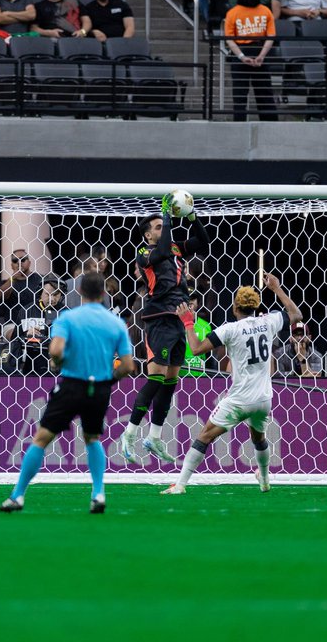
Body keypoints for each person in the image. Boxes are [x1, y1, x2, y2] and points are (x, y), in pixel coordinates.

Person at [0, 272, 134, 513]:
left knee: (41, 439)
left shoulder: (68, 318)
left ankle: (18, 495)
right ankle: (98, 494)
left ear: (80, 292)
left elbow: (56, 349)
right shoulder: (116, 323)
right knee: (92, 439)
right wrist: (107, 380)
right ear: (104, 294)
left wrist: (59, 361)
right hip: (100, 388)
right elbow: (128, 366)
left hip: (72, 384)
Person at [162, 273, 302, 494]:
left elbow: (197, 348)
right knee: (258, 438)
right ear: (255, 307)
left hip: (239, 398)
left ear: (236, 308)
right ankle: (264, 480)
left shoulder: (230, 329)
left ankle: (180, 485)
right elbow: (296, 315)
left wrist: (188, 322)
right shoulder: (269, 321)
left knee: (205, 435)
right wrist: (276, 288)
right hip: (264, 398)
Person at [119, 196, 211, 464]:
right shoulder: (145, 252)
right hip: (159, 317)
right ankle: (130, 433)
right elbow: (159, 253)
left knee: (171, 381)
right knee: (156, 379)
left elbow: (203, 242)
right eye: (157, 227)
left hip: (179, 318)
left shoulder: (176, 248)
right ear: (148, 234)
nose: (162, 229)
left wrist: (192, 216)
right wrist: (167, 215)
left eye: (163, 225)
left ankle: (154, 437)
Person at [225, 0, 276, 120]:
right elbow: (270, 36)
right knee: (264, 94)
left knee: (240, 96)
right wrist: (262, 56)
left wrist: (241, 56)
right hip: (260, 50)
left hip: (240, 52)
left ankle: (239, 126)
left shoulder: (232, 13)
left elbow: (229, 39)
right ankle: (270, 126)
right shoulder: (266, 10)